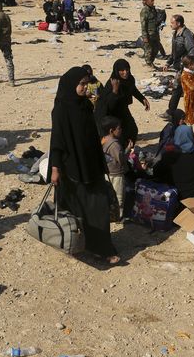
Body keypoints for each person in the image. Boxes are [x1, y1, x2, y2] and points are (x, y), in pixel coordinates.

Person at [48, 67, 120, 264]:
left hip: (91, 165)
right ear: (71, 85)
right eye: (81, 84)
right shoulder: (61, 109)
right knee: (74, 210)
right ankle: (73, 243)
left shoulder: (86, 105)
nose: (84, 87)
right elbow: (57, 140)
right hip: (72, 168)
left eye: (85, 83)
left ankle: (102, 248)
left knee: (98, 208)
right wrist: (55, 168)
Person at [99, 59, 149, 146]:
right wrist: (115, 90)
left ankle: (129, 151)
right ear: (116, 71)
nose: (125, 72)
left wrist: (142, 99)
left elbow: (132, 89)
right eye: (122, 70)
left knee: (133, 130)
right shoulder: (112, 83)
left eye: (127, 70)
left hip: (123, 109)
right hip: (112, 113)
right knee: (119, 135)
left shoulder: (130, 79)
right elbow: (108, 105)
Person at [164, 15, 194, 117]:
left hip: (186, 68)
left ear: (178, 23)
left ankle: (174, 112)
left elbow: (193, 52)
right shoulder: (176, 33)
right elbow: (174, 52)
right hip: (179, 67)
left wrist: (189, 68)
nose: (170, 25)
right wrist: (168, 62)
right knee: (177, 89)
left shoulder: (187, 35)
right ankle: (171, 111)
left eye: (172, 23)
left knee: (188, 90)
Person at [100, 115, 129, 221]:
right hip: (117, 174)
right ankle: (118, 216)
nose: (121, 130)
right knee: (118, 196)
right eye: (119, 128)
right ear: (112, 130)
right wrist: (128, 150)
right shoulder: (115, 145)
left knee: (108, 194)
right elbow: (121, 159)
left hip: (107, 172)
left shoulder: (103, 140)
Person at [140, 0, 161, 67]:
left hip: (155, 32)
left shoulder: (153, 9)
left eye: (153, 1)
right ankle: (148, 63)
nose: (153, 2)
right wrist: (145, 36)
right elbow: (143, 25)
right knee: (149, 49)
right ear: (147, 1)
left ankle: (151, 62)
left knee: (156, 48)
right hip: (149, 33)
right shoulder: (145, 11)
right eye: (151, 1)